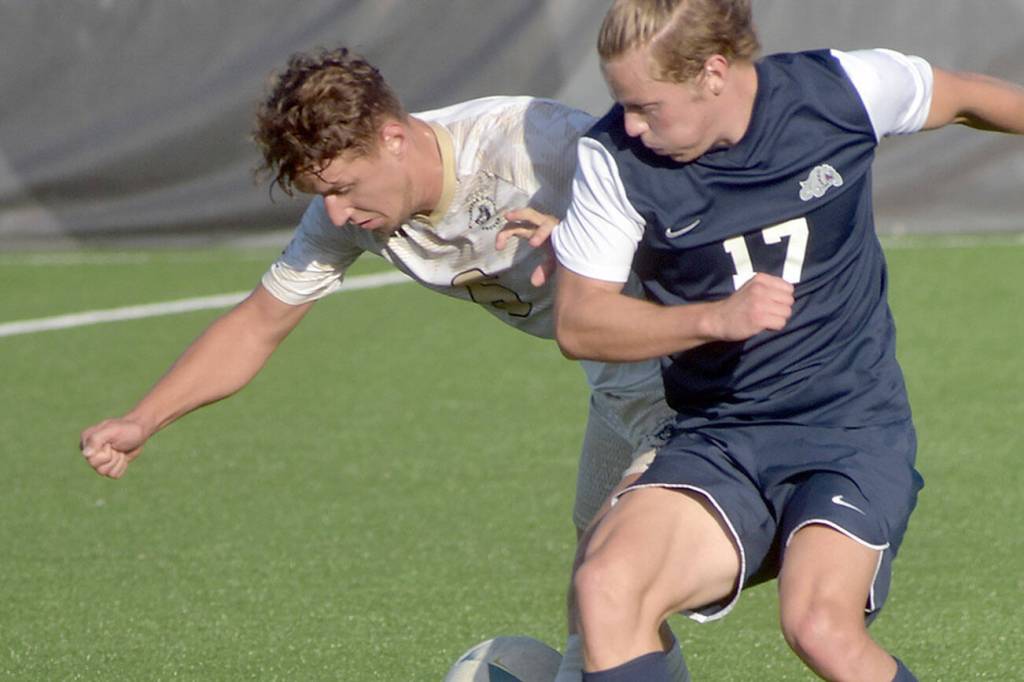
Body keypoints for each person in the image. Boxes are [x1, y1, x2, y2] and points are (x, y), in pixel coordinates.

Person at [76, 47, 688, 681]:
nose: (337, 213)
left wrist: (595, 239)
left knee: (612, 577)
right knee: (594, 597)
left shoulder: (538, 144)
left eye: (342, 189)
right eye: (322, 195)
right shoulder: (351, 216)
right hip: (619, 395)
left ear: (393, 138)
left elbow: (699, 216)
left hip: (695, 381)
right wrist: (143, 420)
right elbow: (259, 324)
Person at [542, 0, 1024, 680]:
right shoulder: (614, 160)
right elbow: (579, 322)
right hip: (720, 437)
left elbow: (968, 97)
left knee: (819, 627)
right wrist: (710, 319)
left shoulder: (842, 92)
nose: (629, 123)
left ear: (714, 72)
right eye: (623, 103)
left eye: (648, 106)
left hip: (851, 430)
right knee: (605, 587)